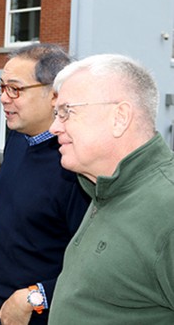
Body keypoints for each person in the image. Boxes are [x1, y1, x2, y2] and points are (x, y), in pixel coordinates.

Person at [47, 54, 174, 324]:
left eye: (66, 112)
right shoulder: (103, 186)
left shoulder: (168, 206)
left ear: (120, 117)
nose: (54, 127)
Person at [0, 44, 90, 325]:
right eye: (1, 87)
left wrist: (35, 298)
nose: (3, 98)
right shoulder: (17, 137)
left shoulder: (78, 165)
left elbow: (91, 268)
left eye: (14, 89)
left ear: (54, 95)